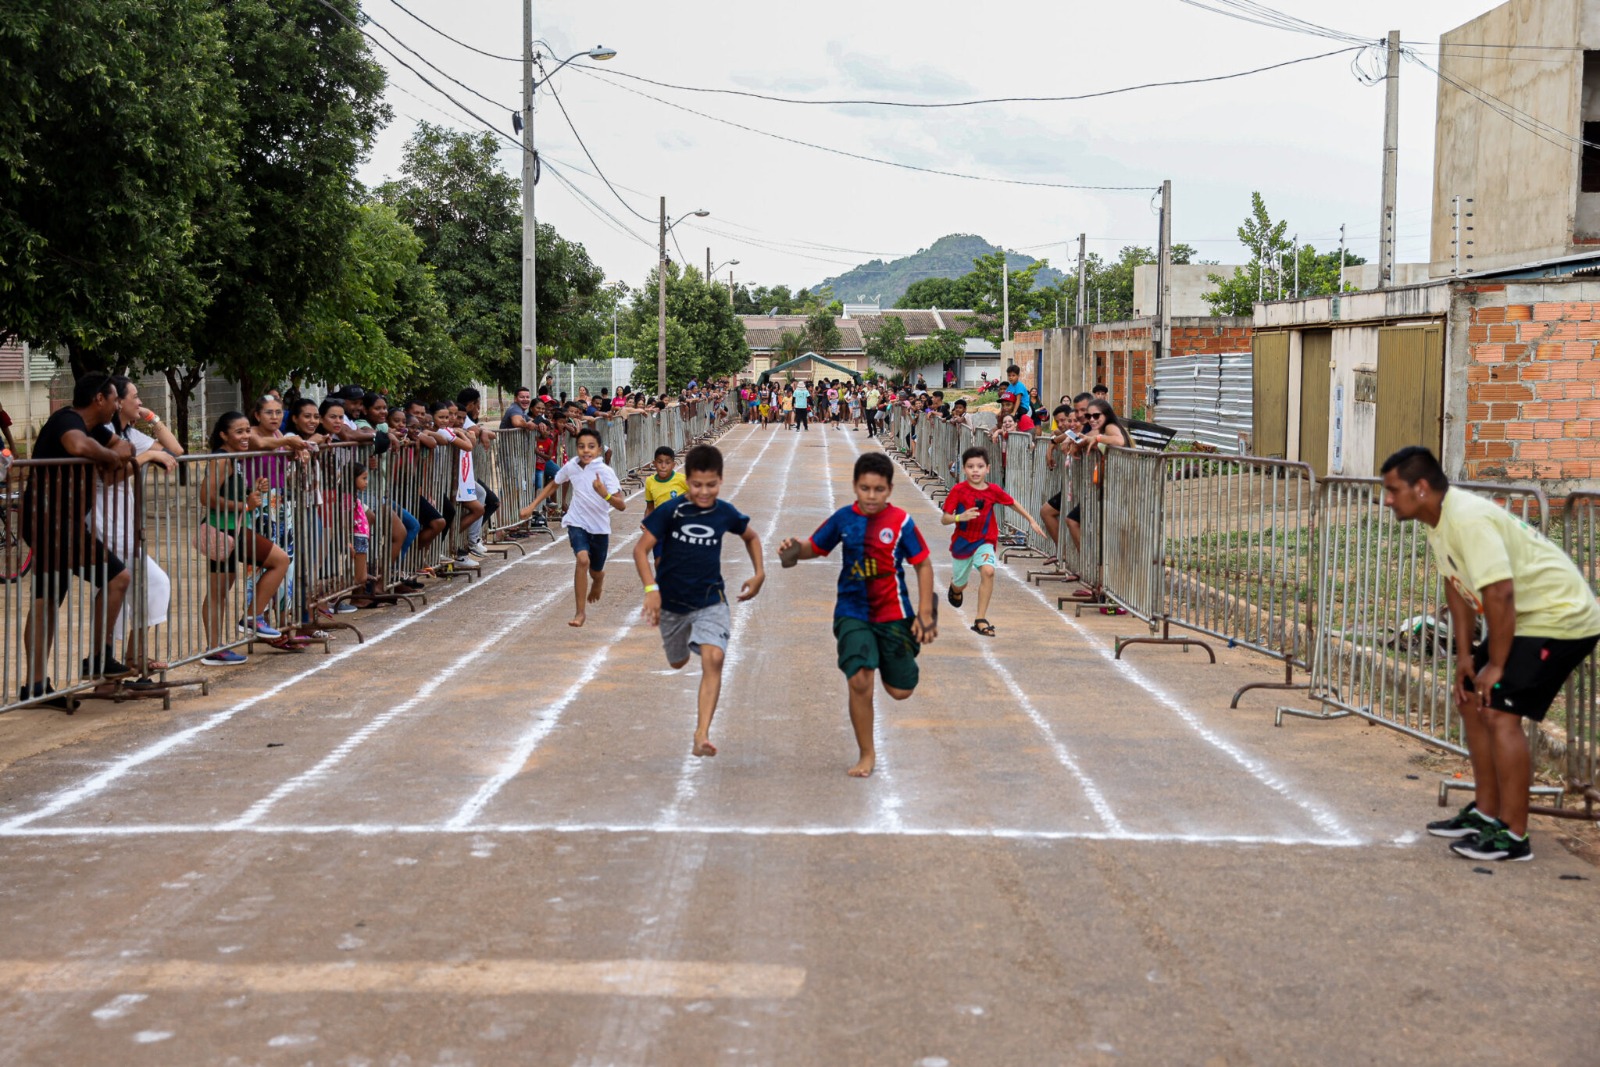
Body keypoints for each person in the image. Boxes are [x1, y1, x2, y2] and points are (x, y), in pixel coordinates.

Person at [1379, 447, 1600, 863]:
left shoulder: (1468, 518)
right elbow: (1455, 586)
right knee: (1470, 698)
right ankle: (1486, 812)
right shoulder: (1438, 519)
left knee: (1499, 711)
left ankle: (1514, 836)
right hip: (1524, 618)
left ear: (1421, 488)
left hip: (1560, 617)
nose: (1387, 500)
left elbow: (1499, 591)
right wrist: (1466, 656)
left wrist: (1495, 665)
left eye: (1393, 490)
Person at [777, 451, 938, 778]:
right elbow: (816, 547)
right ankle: (866, 753)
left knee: (900, 691)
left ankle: (891, 655)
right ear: (855, 486)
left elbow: (922, 563)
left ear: (889, 490)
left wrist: (925, 612)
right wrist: (795, 552)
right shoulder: (843, 519)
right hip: (852, 612)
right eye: (865, 488)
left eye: (879, 490)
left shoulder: (902, 522)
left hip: (894, 613)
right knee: (860, 679)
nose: (871, 496)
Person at [635, 444, 764, 758]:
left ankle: (701, 733)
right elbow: (640, 550)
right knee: (678, 662)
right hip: (673, 603)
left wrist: (759, 573)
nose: (703, 491)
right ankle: (684, 641)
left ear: (720, 481)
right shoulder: (672, 510)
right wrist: (652, 591)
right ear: (686, 481)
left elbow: (751, 537)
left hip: (710, 599)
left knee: (714, 659)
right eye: (696, 485)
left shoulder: (724, 512)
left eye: (711, 485)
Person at [21, 375, 135, 707]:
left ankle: (37, 686)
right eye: (114, 399)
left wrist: (112, 453)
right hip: (49, 521)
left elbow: (123, 448)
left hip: (59, 523)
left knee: (48, 598)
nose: (117, 405)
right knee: (118, 577)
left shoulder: (95, 429)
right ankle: (97, 659)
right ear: (99, 398)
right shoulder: (67, 419)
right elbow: (78, 447)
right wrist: (109, 457)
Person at [91, 377, 185, 681]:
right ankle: (117, 662)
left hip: (123, 523)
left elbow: (176, 450)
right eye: (135, 398)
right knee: (143, 584)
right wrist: (147, 456)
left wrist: (153, 419)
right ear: (118, 401)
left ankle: (129, 658)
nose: (140, 402)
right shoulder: (103, 433)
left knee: (146, 585)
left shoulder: (129, 433)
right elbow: (110, 476)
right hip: (105, 521)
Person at [196, 412, 292, 666]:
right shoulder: (222, 459)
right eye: (239, 431)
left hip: (230, 530)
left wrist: (252, 492)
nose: (246, 435)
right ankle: (251, 618)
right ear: (223, 435)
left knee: (219, 591)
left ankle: (216, 648)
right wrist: (245, 505)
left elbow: (229, 493)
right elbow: (206, 497)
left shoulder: (235, 459)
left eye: (247, 430)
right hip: (226, 531)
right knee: (280, 561)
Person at [519, 427, 624, 627]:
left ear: (599, 450)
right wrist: (532, 506)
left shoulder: (605, 472)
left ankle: (598, 580)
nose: (586, 451)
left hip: (599, 527)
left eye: (591, 447)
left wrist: (605, 494)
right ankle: (580, 612)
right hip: (577, 522)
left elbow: (621, 505)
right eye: (582, 446)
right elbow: (554, 484)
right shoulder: (572, 465)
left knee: (595, 571)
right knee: (582, 559)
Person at [942, 446, 1047, 637]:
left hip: (985, 540)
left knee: (988, 572)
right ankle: (955, 588)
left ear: (988, 469)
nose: (975, 470)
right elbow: (945, 518)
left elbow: (1012, 502)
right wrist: (960, 517)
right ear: (964, 469)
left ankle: (980, 619)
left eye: (980, 466)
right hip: (962, 543)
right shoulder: (958, 490)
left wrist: (1031, 520)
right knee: (960, 584)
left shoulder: (993, 490)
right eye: (970, 466)